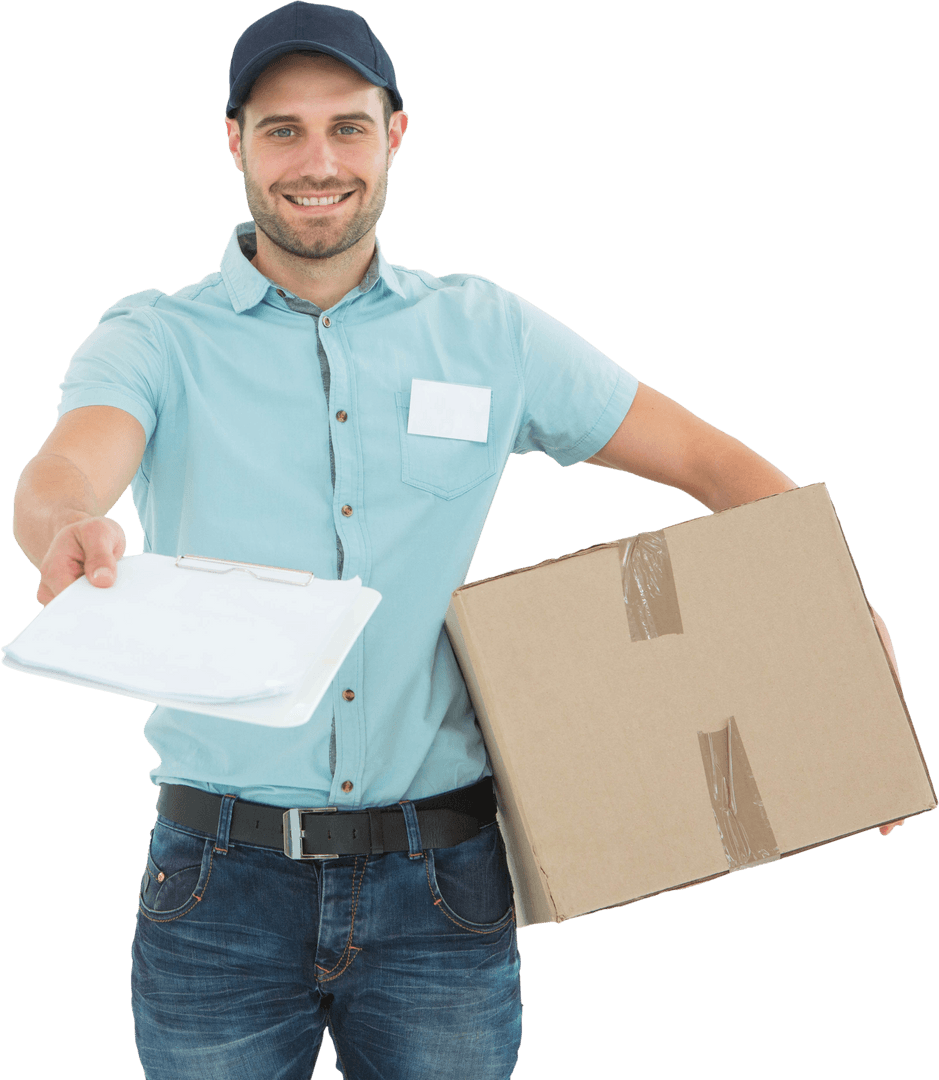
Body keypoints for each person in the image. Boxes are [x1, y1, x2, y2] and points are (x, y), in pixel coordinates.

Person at [10, 4, 905, 1078]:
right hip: (217, 888)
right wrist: (68, 528)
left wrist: (836, 617)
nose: (317, 160)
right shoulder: (155, 336)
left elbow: (714, 466)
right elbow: (67, 468)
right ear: (236, 142)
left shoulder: (487, 332)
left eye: (347, 126)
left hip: (441, 888)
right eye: (283, 129)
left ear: (394, 135)